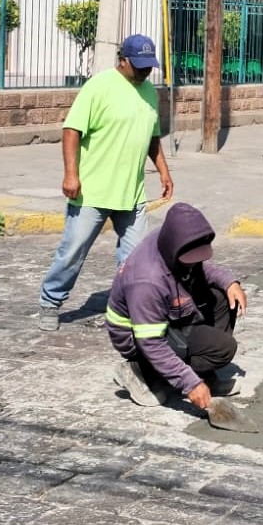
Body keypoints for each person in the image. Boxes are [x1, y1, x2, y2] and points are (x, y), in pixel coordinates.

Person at [37, 33, 173, 332]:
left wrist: (163, 170)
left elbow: (152, 137)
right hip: (92, 191)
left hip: (132, 192)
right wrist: (71, 174)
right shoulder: (98, 87)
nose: (145, 72)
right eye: (139, 66)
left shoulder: (149, 91)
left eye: (149, 66)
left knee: (137, 258)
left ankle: (129, 309)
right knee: (73, 251)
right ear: (122, 61)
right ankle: (51, 302)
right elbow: (72, 130)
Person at [108, 202, 247, 410]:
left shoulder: (169, 239)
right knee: (223, 350)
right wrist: (190, 384)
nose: (193, 262)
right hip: (138, 337)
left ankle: (199, 372)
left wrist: (228, 282)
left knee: (222, 297)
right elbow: (151, 342)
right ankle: (140, 370)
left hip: (169, 316)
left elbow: (199, 267)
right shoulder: (146, 281)